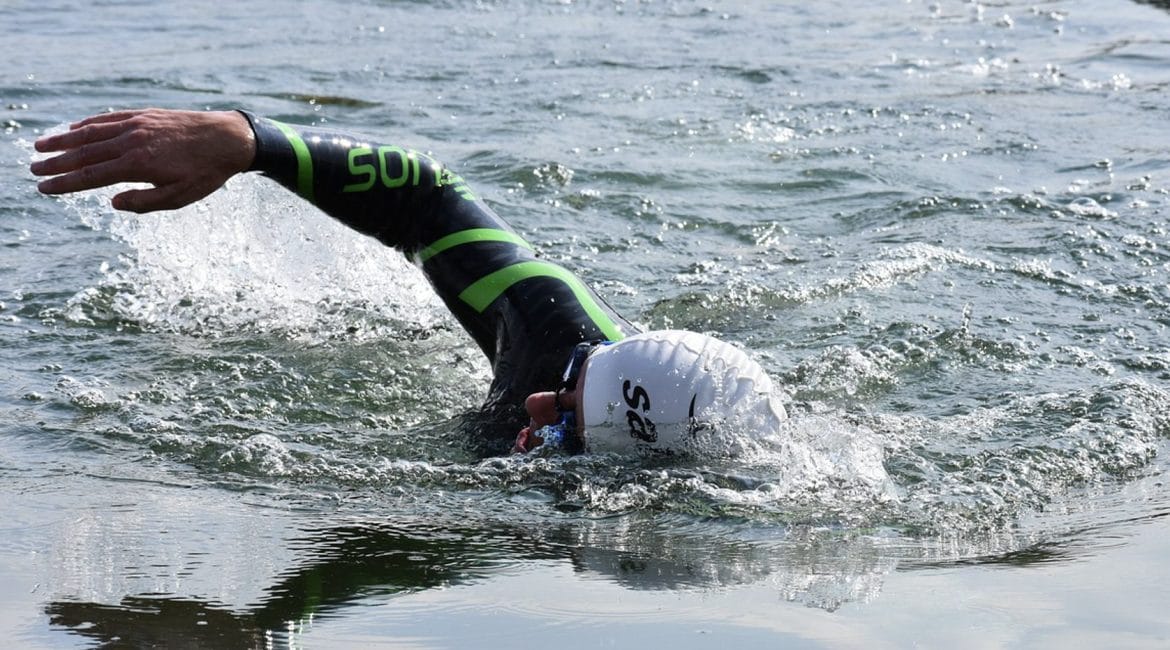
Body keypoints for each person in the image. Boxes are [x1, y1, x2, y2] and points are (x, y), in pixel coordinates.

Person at [30, 109, 782, 456]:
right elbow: (427, 197)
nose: (537, 399)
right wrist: (251, 143)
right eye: (571, 380)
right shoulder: (555, 331)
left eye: (563, 424)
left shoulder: (608, 511)